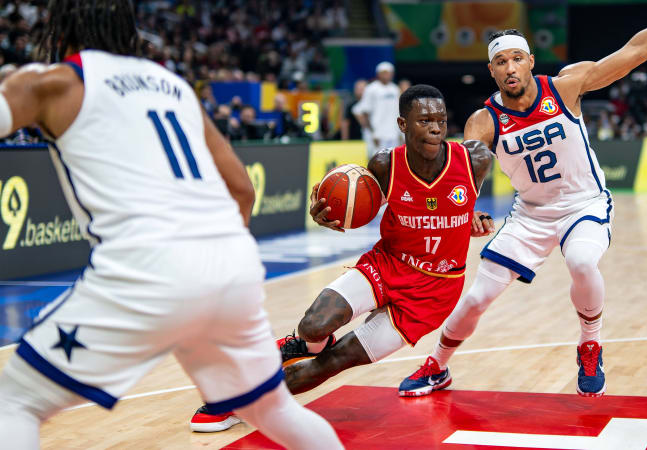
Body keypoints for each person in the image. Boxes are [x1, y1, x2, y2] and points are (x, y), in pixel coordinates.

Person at [0, 1, 342, 448]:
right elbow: (242, 189)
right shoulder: (172, 85)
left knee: (16, 403)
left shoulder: (54, 82)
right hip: (231, 267)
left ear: (60, 27)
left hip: (150, 267)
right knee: (271, 408)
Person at [398, 0, 647, 398]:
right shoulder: (484, 121)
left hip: (584, 204)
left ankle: (590, 343)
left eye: (517, 58)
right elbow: (462, 175)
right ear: (492, 70)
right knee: (477, 297)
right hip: (530, 215)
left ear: (531, 61)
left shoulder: (566, 87)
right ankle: (437, 367)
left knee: (583, 261)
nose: (510, 67)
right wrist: (469, 208)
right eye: (501, 62)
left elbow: (638, 50)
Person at [190, 84, 495, 431]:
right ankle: (301, 344)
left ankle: (244, 402)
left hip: (432, 293)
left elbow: (464, 199)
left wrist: (470, 216)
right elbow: (361, 207)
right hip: (388, 264)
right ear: (403, 124)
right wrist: (328, 215)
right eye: (424, 120)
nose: (436, 127)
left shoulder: (475, 160)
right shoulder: (384, 164)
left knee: (335, 361)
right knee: (313, 326)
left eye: (440, 119)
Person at [353, 61, 403, 158]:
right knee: (376, 161)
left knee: (393, 161)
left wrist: (400, 133)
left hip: (393, 134)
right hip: (377, 135)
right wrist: (372, 134)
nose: (386, 75)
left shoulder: (395, 89)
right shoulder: (371, 89)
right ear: (378, 74)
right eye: (383, 72)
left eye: (388, 72)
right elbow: (364, 112)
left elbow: (398, 112)